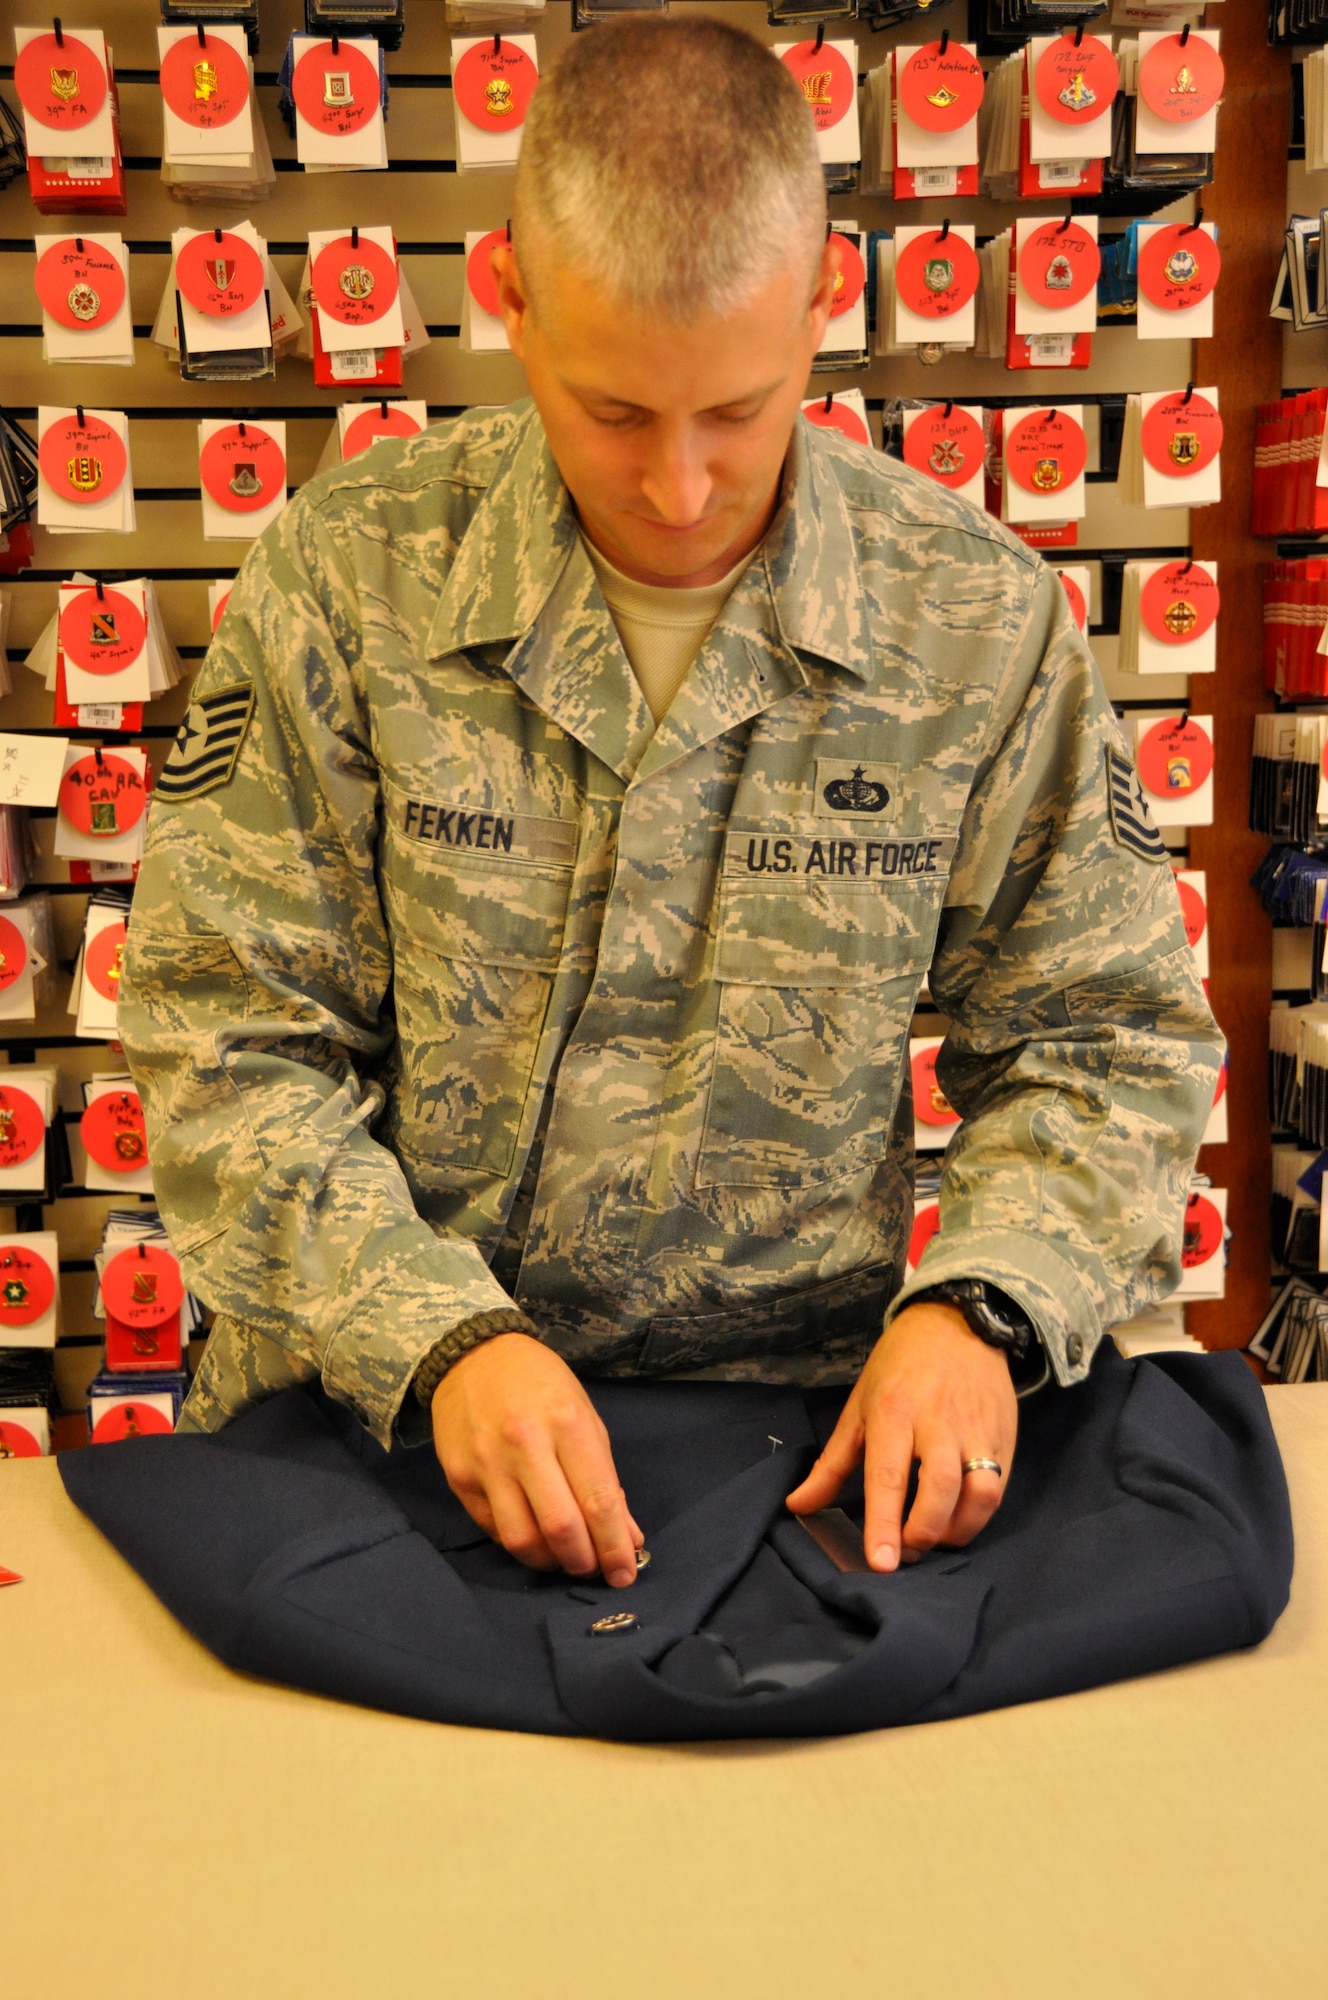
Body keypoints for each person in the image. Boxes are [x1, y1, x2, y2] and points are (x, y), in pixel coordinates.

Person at [120, 15, 1221, 1597]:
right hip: (375, 1442)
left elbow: (1106, 1038)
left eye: (741, 410)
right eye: (616, 413)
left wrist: (981, 1304)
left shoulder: (974, 621)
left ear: (827, 302)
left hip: (791, 1466)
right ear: (506, 293)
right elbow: (225, 1039)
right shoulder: (345, 583)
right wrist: (432, 1337)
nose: (683, 487)